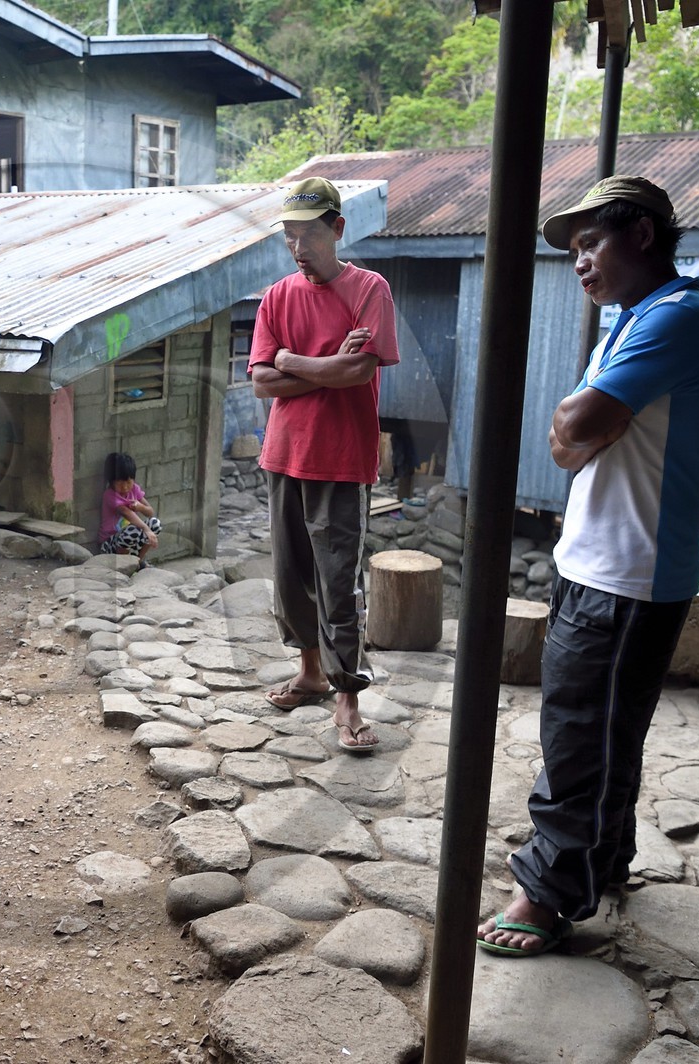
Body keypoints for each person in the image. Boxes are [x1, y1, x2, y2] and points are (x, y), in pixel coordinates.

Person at [478, 176, 699, 957]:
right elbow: (564, 445)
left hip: (631, 569)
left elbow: (577, 421)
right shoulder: (629, 323)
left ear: (645, 236)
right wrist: (582, 428)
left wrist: (585, 425)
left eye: (593, 243)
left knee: (581, 734)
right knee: (606, 729)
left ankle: (548, 892)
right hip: (600, 561)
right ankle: (600, 859)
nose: (580, 262)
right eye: (574, 250)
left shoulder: (684, 317)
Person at [250, 176, 399, 753]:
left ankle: (347, 698)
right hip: (284, 455)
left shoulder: (370, 290)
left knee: (338, 582)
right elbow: (262, 382)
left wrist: (290, 360)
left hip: (341, 460)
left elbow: (358, 373)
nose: (297, 247)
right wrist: (319, 363)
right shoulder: (277, 296)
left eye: (308, 234)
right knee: (291, 578)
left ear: (337, 229)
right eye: (289, 235)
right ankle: (310, 672)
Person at [98, 452, 162, 567]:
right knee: (134, 529)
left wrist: (140, 507)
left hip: (131, 543)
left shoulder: (134, 489)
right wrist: (146, 530)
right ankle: (124, 567)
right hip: (110, 546)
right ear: (111, 482)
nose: (125, 487)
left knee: (155, 523)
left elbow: (150, 512)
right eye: (120, 483)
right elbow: (126, 513)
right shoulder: (110, 495)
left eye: (128, 482)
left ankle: (137, 563)